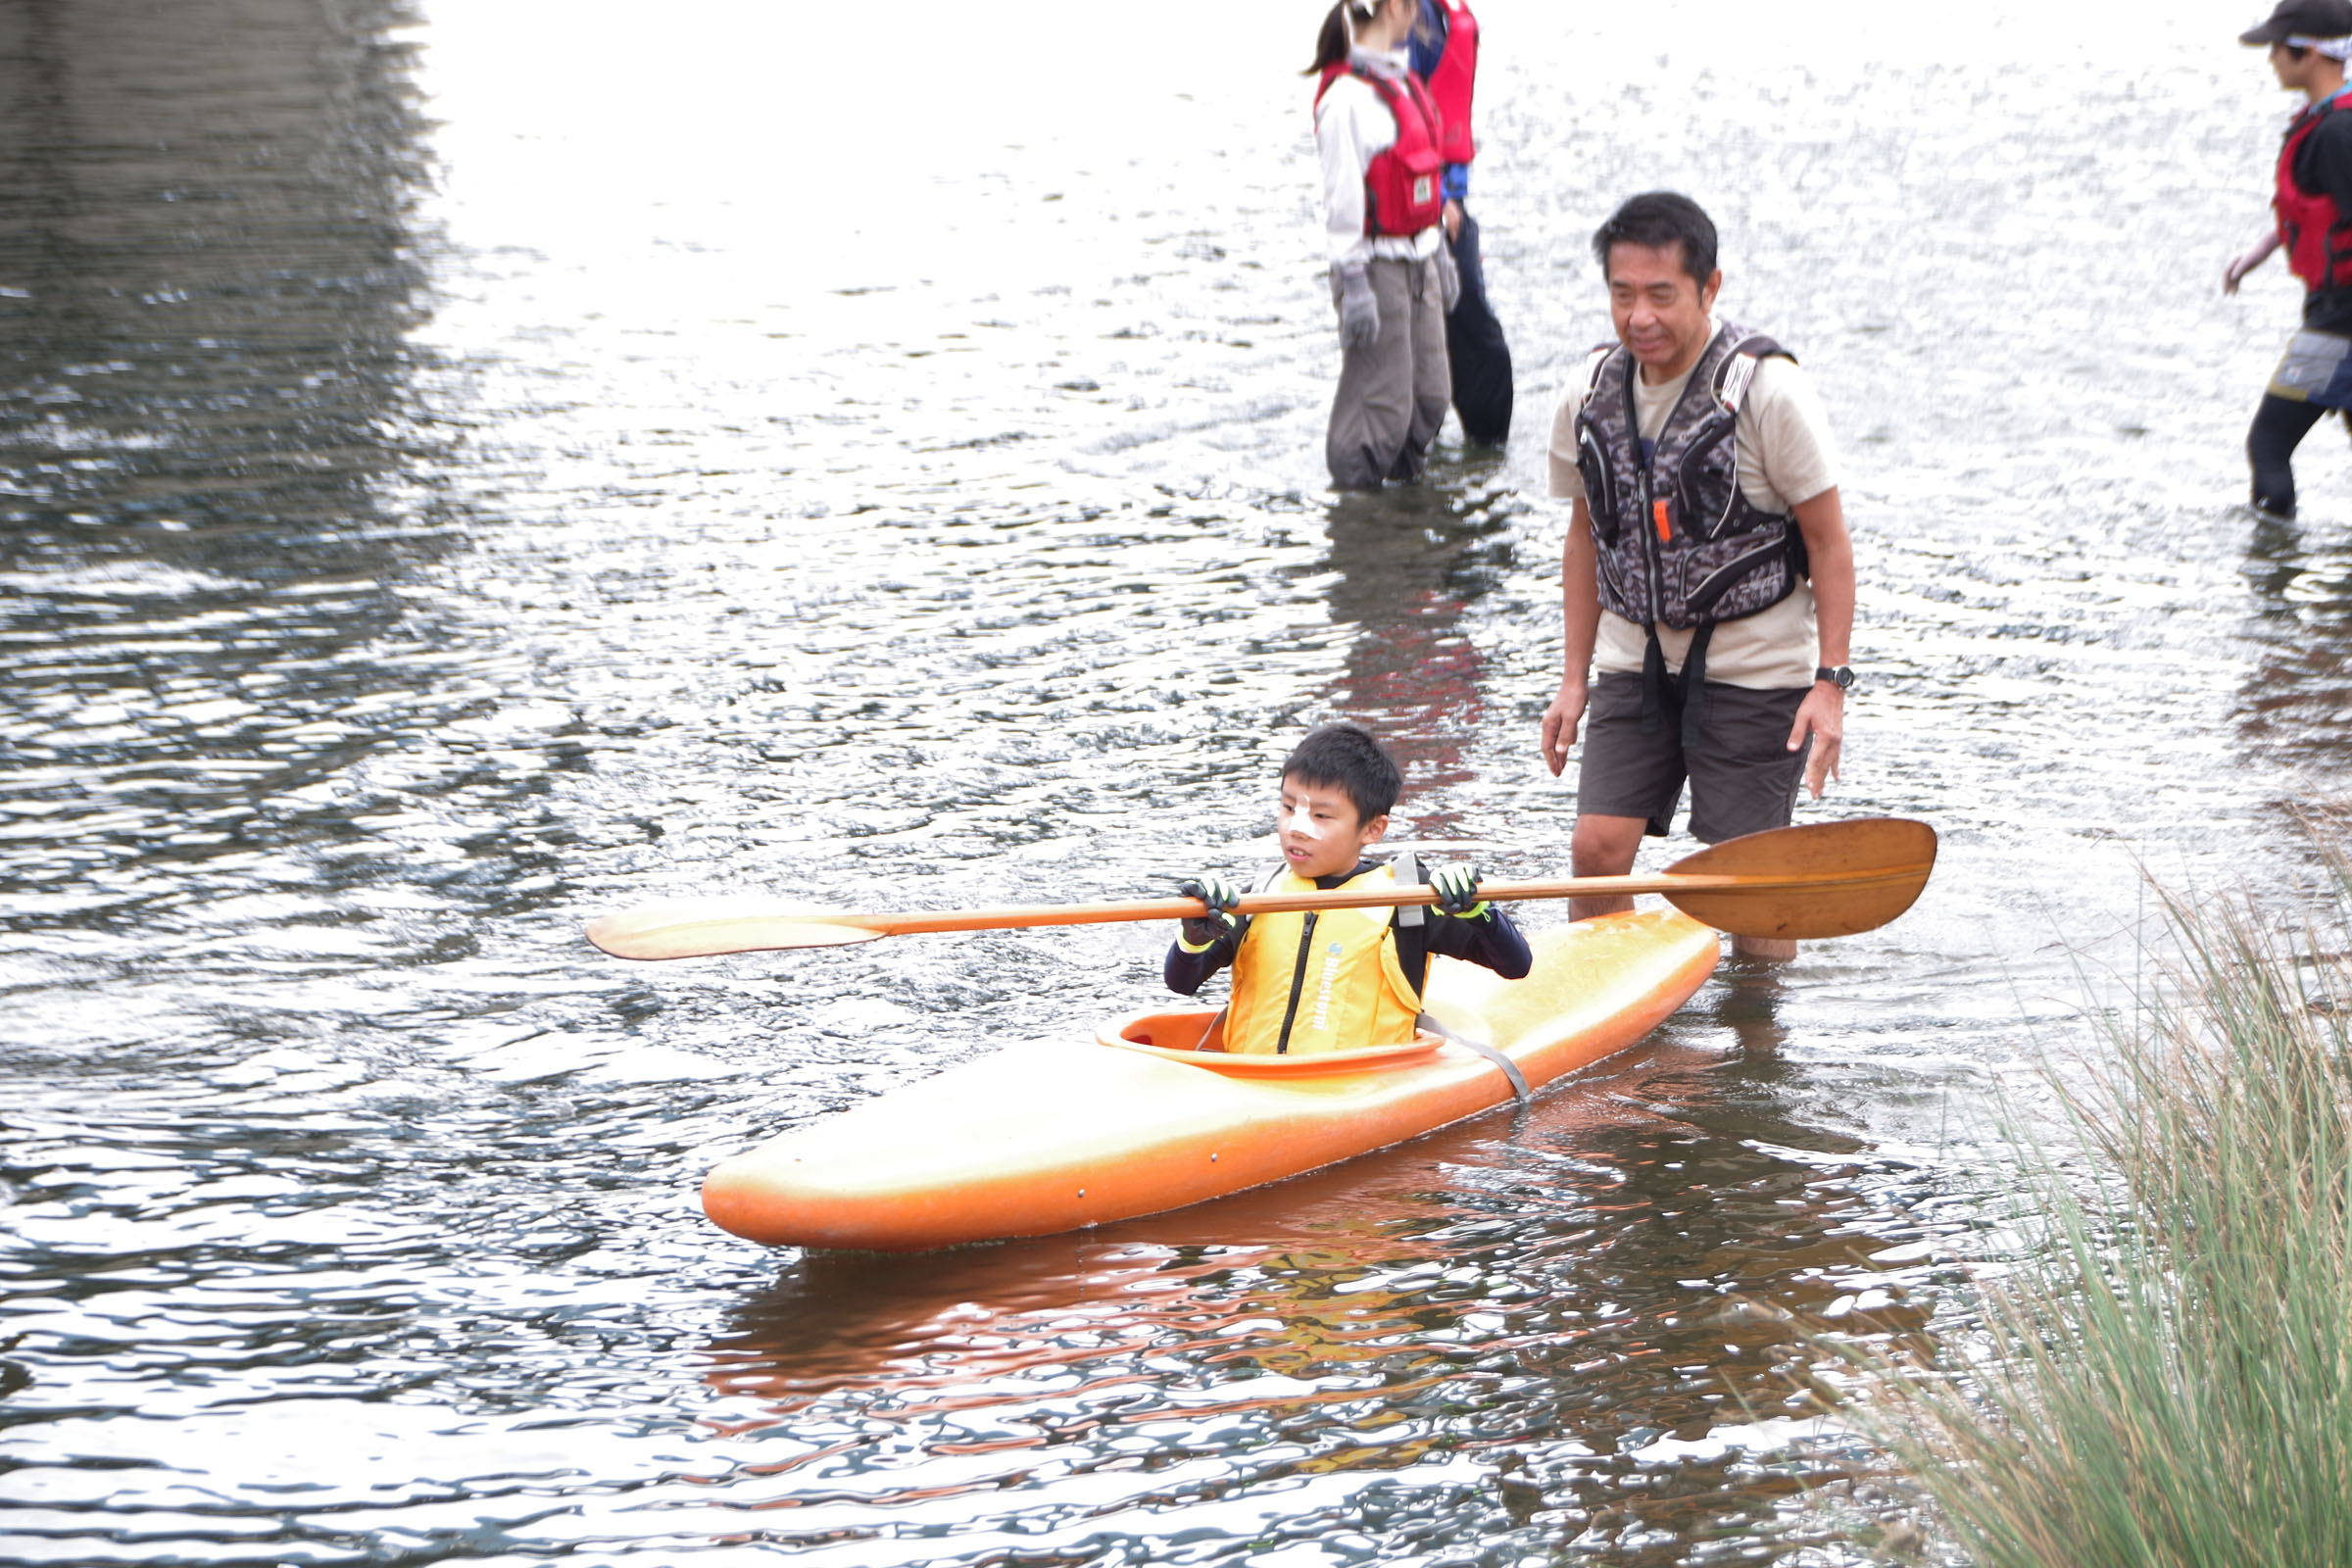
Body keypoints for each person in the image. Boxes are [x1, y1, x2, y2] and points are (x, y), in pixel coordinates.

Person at [1537, 192, 1854, 962]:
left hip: (1755, 664)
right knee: (1597, 849)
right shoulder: (1588, 394)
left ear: (1709, 289)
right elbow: (1586, 538)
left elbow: (1829, 543)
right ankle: (1609, 1003)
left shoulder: (1769, 394)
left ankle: (1755, 1043)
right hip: (1633, 658)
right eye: (1622, 294)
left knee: (1746, 886)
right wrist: (1573, 680)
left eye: (1661, 295)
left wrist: (1830, 684)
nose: (1639, 316)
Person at [1165, 722, 1530, 1056]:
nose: (1297, 828)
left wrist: (1478, 913)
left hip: (1357, 1082)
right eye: (1289, 807)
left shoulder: (1409, 898)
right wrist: (1192, 938)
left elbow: (1516, 965)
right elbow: (1182, 983)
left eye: (1321, 816)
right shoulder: (1261, 894)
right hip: (1253, 1080)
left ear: (1373, 829)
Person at [1309, 0, 1456, 490]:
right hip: (1375, 269)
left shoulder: (1404, 82)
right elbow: (1343, 200)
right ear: (1396, 6)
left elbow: (1423, 177)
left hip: (1421, 258)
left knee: (1430, 396)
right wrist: (1353, 285)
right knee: (1381, 408)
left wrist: (1440, 252)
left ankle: (1404, 512)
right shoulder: (1346, 100)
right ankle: (1356, 511)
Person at [2225, 0, 2352, 519]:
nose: (2272, 58)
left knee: (2269, 445)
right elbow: (2321, 209)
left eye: (2279, 47)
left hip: (2340, 322)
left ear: (2310, 53)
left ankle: (2272, 584)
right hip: (2337, 313)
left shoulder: (2335, 134)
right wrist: (2262, 249)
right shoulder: (2329, 121)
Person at [1410, 0, 1513, 446]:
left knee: (1465, 333)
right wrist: (1438, 196)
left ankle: (1482, 451)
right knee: (1468, 333)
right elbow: (1402, 104)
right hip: (1430, 205)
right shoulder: (1416, 17)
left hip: (1448, 201)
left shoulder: (1447, 12)